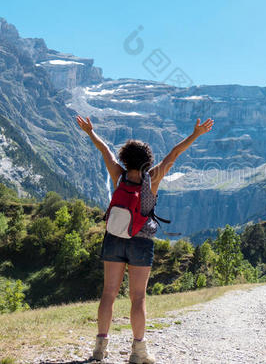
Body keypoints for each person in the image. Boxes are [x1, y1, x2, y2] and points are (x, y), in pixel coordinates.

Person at [76, 115, 214, 363]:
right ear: (147, 161)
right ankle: (138, 352)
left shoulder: (117, 175)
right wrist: (196, 134)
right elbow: (174, 153)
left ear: (125, 158)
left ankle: (99, 348)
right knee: (138, 297)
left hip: (114, 237)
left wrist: (90, 132)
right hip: (140, 242)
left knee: (108, 293)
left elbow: (104, 149)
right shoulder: (152, 179)